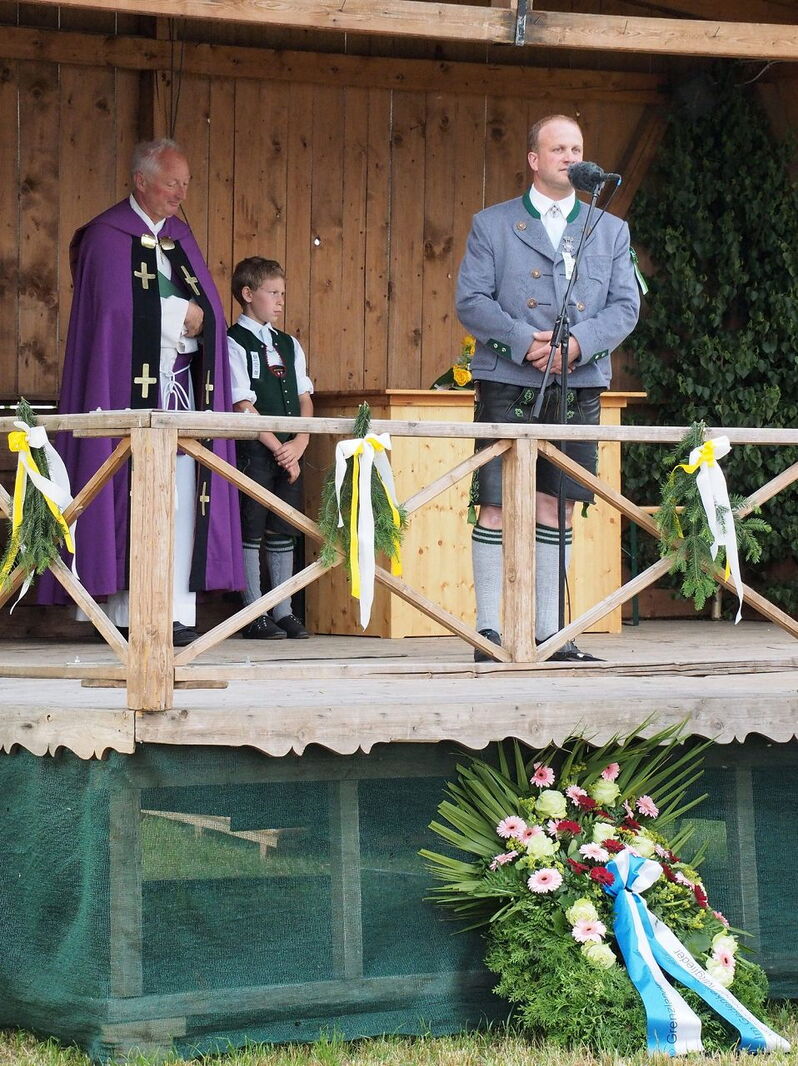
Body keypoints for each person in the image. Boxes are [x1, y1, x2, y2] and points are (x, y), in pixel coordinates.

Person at [39, 138, 244, 645]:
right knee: (124, 498)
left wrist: (199, 320)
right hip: (122, 395)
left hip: (180, 393)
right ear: (140, 181)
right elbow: (113, 312)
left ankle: (173, 611)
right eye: (172, 183)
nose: (181, 193)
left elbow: (211, 312)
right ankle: (122, 612)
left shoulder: (181, 237)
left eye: (186, 184)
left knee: (178, 500)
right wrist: (178, 315)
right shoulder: (106, 236)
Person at [455, 114, 640, 662]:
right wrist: (522, 341)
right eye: (558, 149)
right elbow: (471, 300)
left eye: (576, 149)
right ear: (534, 160)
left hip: (578, 381)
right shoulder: (492, 224)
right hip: (508, 379)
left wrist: (577, 345)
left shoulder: (610, 229)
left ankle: (550, 634)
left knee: (557, 506)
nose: (570, 157)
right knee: (494, 503)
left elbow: (626, 306)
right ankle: (488, 633)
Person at [228, 257, 314, 640]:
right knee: (251, 527)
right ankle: (254, 612)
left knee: (284, 529)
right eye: (272, 293)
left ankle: (283, 609)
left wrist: (301, 441)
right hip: (256, 450)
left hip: (291, 449)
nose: (280, 301)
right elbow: (242, 403)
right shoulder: (234, 341)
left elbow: (304, 396)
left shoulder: (288, 343)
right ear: (248, 294)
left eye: (282, 293)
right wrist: (279, 447)